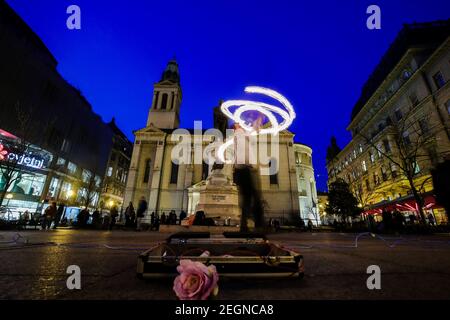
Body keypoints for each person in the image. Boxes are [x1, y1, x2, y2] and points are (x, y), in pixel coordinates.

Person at [232, 122, 264, 232]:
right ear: (236, 126)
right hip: (243, 169)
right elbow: (251, 135)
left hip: (246, 169)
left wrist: (257, 123)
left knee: (249, 198)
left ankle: (245, 224)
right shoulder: (238, 134)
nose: (241, 123)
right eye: (238, 123)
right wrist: (255, 125)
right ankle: (256, 225)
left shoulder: (243, 134)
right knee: (252, 196)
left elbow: (253, 134)